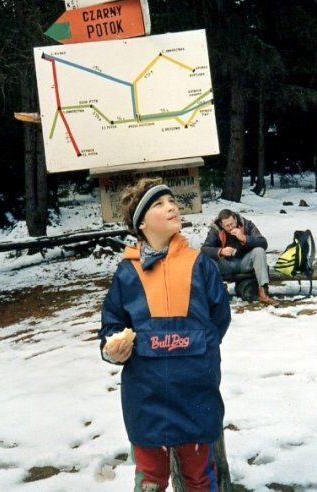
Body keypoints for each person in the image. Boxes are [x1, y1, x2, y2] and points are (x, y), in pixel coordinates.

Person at [99, 177, 231, 492]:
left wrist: (201, 354)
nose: (171, 206)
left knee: (199, 478)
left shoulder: (201, 264)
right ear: (141, 222)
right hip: (145, 395)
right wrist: (112, 348)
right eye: (158, 204)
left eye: (171, 200)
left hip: (196, 391)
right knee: (150, 481)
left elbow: (220, 318)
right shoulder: (126, 273)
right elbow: (112, 325)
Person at [201, 208, 278, 305]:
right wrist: (221, 251)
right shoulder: (215, 230)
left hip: (244, 262)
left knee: (259, 251)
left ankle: (263, 292)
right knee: (208, 260)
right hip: (226, 264)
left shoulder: (246, 224)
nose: (230, 227)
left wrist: (244, 238)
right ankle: (219, 291)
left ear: (235, 219)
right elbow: (204, 249)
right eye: (227, 226)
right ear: (221, 225)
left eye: (232, 224)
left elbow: (263, 243)